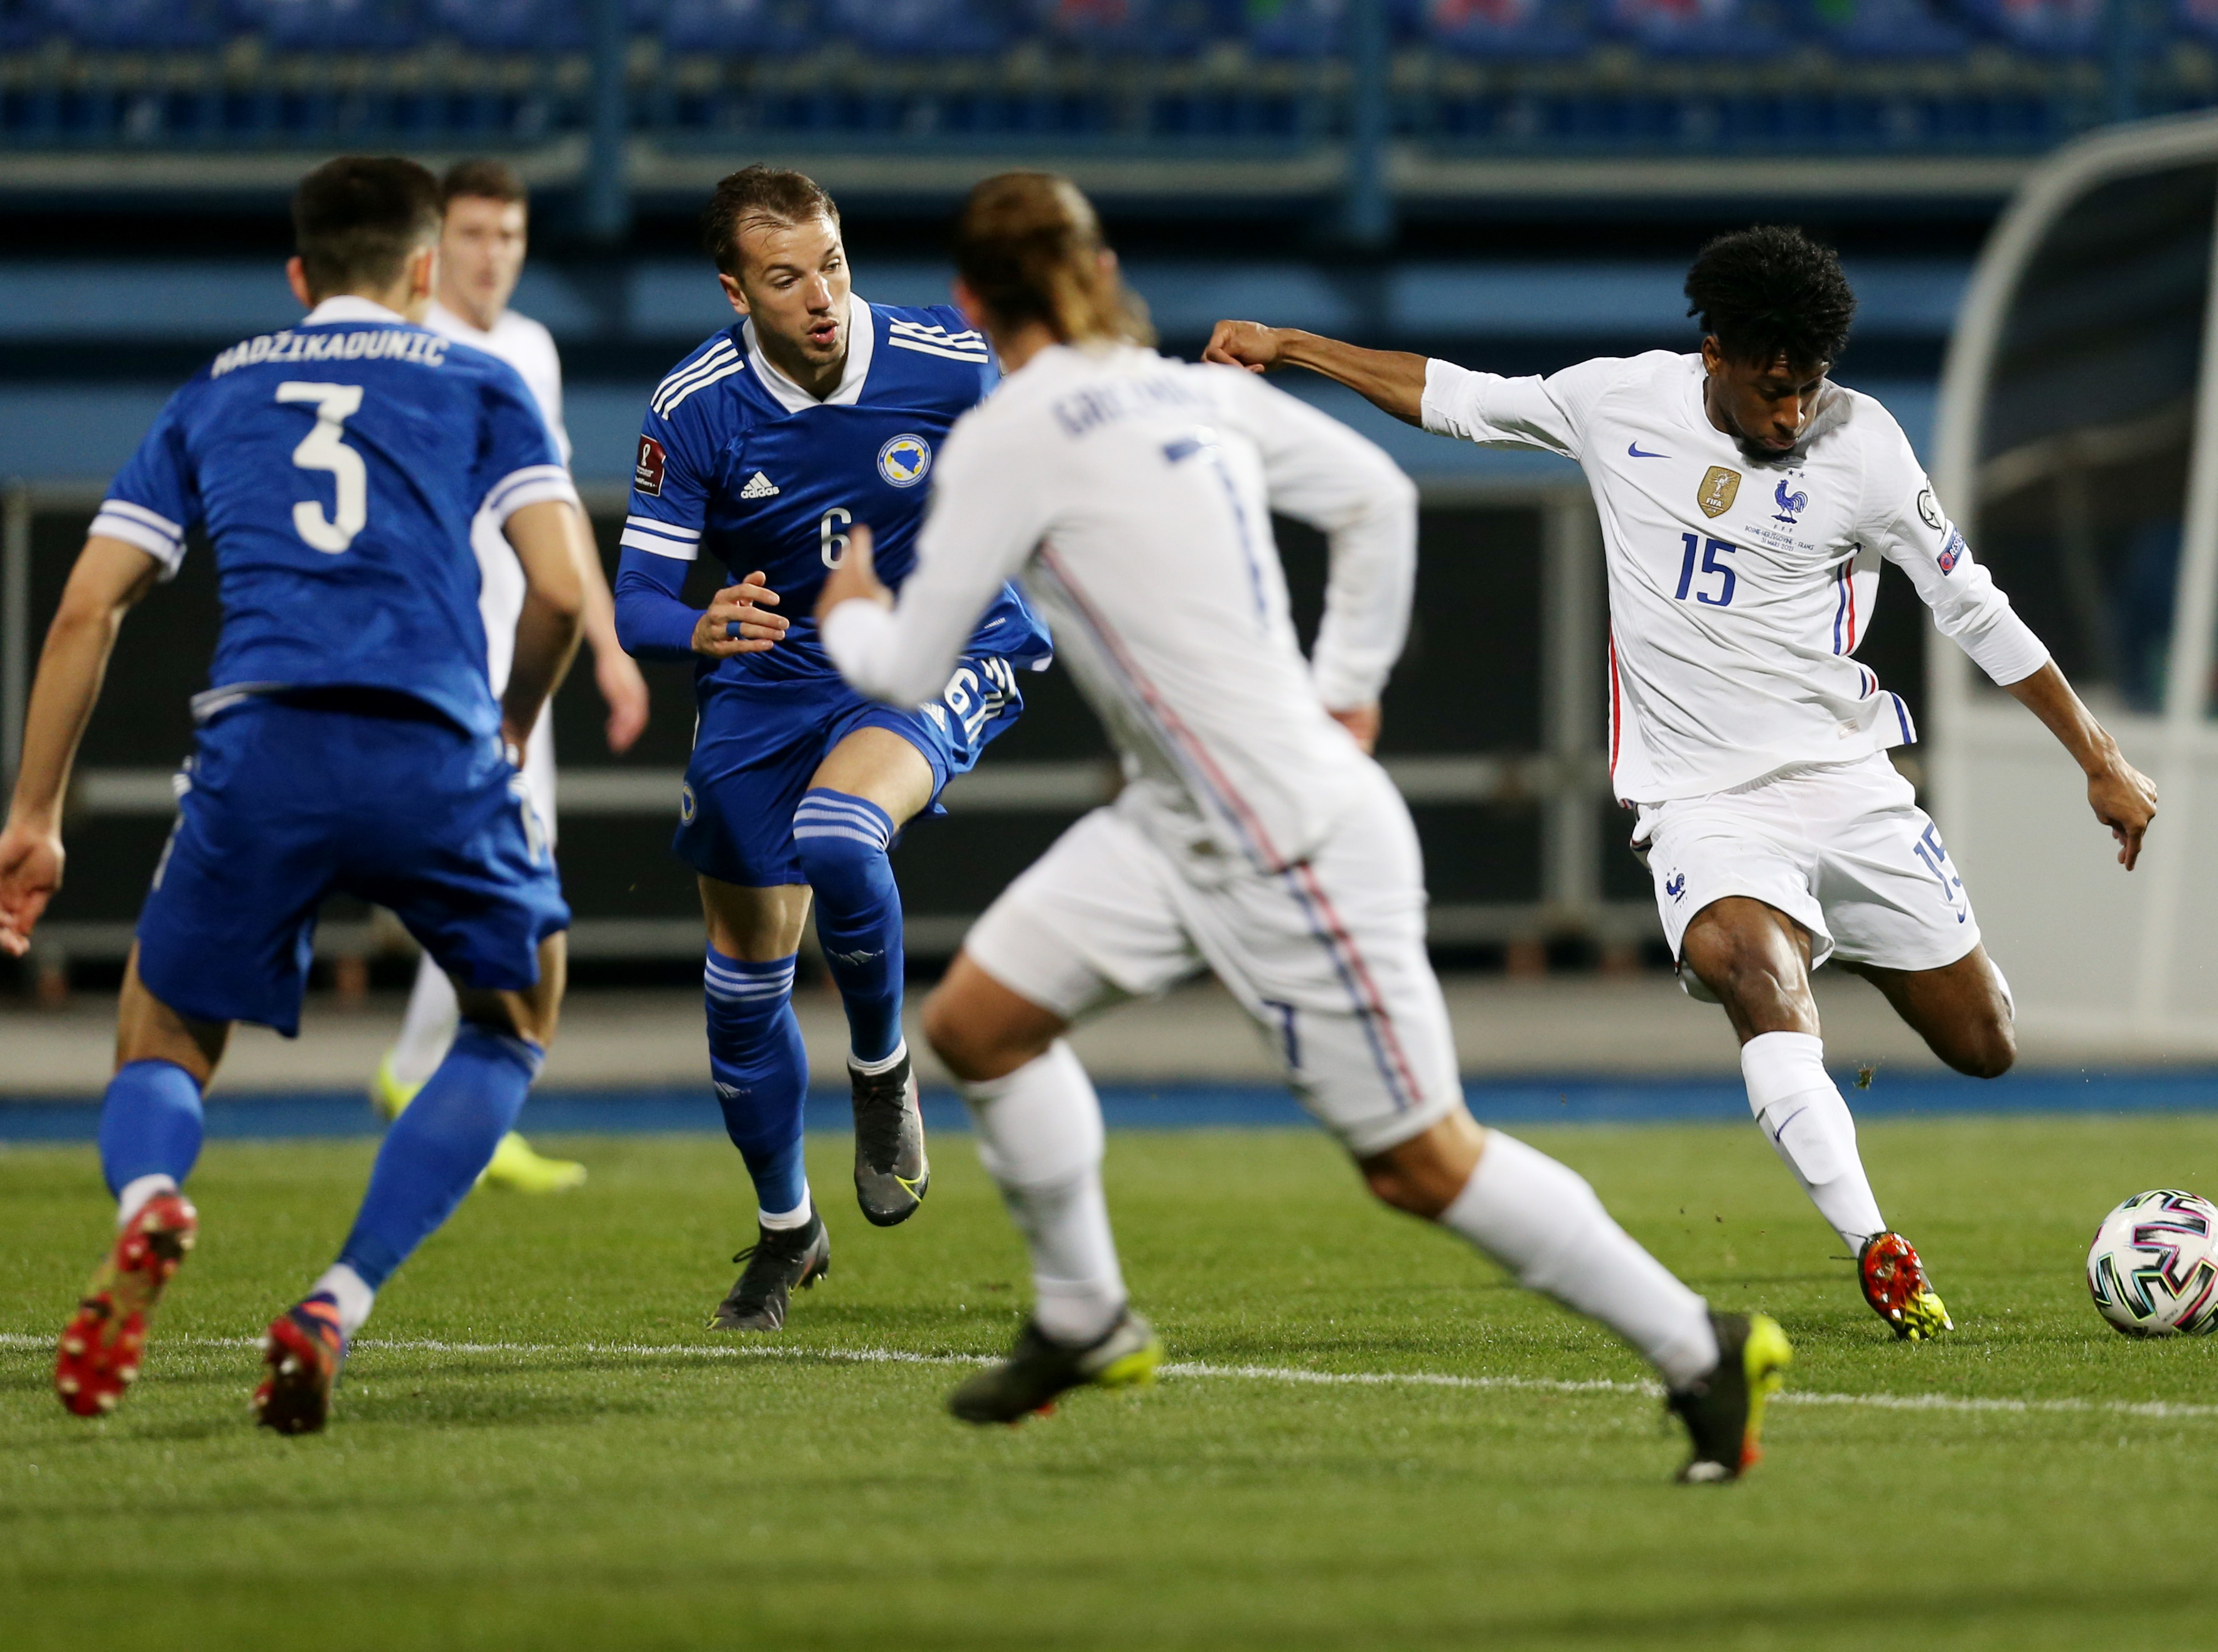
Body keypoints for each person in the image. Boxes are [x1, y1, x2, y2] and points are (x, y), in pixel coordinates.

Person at [818, 172, 1790, 1484]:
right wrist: (1349, 688)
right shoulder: (1193, 391)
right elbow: (1377, 497)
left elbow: (901, 664)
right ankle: (1084, 1316)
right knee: (981, 1024)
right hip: (1174, 824)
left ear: (970, 303)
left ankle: (1699, 1346)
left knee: (1421, 1162)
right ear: (1098, 272)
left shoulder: (1011, 432)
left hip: (1287, 845)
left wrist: (847, 606)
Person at [1201, 225, 2159, 1341]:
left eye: (1809, 388)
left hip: (1845, 781)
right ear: (1715, 354)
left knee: (1983, 1042)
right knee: (1746, 967)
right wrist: (1287, 344)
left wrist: (2099, 759)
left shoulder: (1866, 445)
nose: (1792, 414)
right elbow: (1455, 399)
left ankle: (1827, 937)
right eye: (1772, 389)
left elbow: (1971, 606)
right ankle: (1875, 1244)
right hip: (1700, 802)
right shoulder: (1617, 403)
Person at [0, 156, 588, 1434]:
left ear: (297, 275)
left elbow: (85, 609)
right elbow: (558, 592)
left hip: (261, 745)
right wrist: (512, 724)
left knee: (162, 1032)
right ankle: (336, 1301)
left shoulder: (218, 387)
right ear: (426, 269)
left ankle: (151, 1199)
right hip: (432, 747)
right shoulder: (484, 376)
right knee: (514, 1013)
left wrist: (33, 817)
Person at [612, 166, 1052, 1332]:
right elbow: (636, 601)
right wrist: (695, 625)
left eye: (833, 264)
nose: (821, 296)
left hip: (930, 647)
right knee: (742, 987)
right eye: (785, 278)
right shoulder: (693, 408)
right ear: (734, 292)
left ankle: (880, 1072)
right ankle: (787, 1232)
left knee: (841, 834)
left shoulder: (949, 364)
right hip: (769, 679)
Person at [368, 156, 652, 1196]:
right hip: (429, 659)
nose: (493, 256)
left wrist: (609, 647)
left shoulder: (531, 348)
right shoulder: (400, 344)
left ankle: (418, 1074)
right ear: (435, 244)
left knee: (510, 873)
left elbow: (557, 508)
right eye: (474, 235)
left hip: (518, 659)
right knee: (492, 874)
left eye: (510, 237)